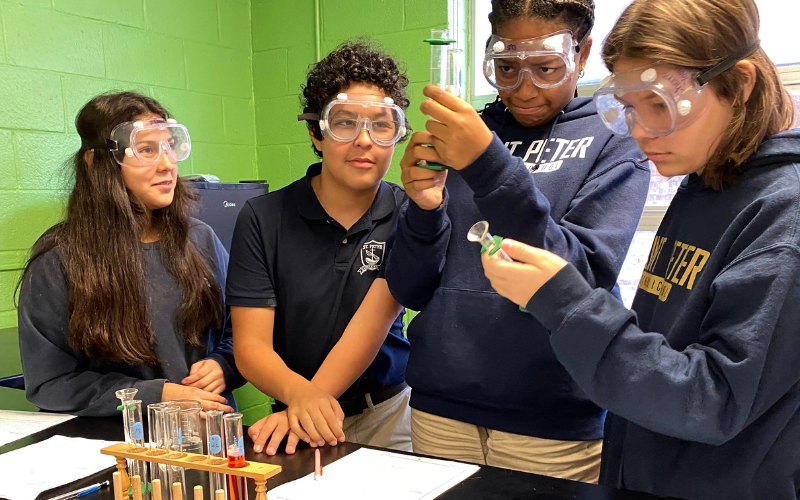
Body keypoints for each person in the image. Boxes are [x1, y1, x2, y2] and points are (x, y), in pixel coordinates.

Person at [481, 0, 799, 498]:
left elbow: (711, 399)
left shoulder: (783, 219)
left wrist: (564, 304)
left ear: (738, 84)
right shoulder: (704, 184)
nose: (639, 131)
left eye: (659, 105)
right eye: (629, 108)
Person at [383, 0, 650, 482]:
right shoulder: (466, 134)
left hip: (553, 424)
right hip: (440, 412)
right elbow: (410, 289)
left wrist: (488, 163)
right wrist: (422, 210)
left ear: (582, 53)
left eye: (546, 69)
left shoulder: (616, 139)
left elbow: (581, 276)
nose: (524, 90)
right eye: (506, 69)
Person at [228, 41, 412, 456]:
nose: (364, 140)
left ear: (397, 134)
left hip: (388, 415)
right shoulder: (263, 217)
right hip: (293, 414)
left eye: (381, 125)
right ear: (316, 131)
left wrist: (309, 402)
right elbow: (251, 345)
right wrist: (301, 399)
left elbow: (376, 322)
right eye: (345, 123)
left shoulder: (408, 213)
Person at [17, 92, 238, 417]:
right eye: (147, 150)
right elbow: (50, 384)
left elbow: (245, 330)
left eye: (169, 147)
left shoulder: (199, 239)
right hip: (121, 449)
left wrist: (225, 365)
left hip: (207, 438)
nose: (167, 164)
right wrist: (154, 396)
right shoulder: (60, 259)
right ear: (97, 163)